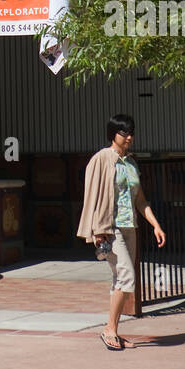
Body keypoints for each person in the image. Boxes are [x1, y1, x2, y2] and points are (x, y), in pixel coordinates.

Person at [77, 115, 166, 350]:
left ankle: (113, 331)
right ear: (113, 134)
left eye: (131, 132)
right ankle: (109, 329)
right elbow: (93, 195)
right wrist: (98, 230)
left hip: (130, 227)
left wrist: (155, 224)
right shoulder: (101, 159)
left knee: (120, 278)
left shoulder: (131, 163)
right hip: (110, 228)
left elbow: (140, 200)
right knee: (127, 276)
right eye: (124, 132)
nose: (129, 137)